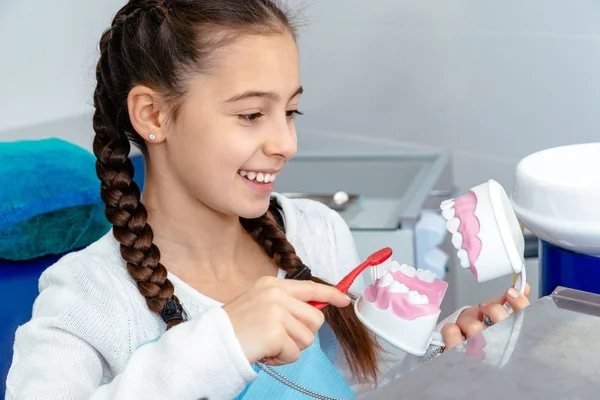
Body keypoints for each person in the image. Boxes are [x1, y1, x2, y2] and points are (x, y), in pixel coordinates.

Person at [5, 1, 531, 399]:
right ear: (154, 115)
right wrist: (222, 342)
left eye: (291, 112)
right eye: (252, 114)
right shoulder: (87, 298)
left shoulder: (317, 234)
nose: (286, 143)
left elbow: (363, 378)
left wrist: (443, 355)